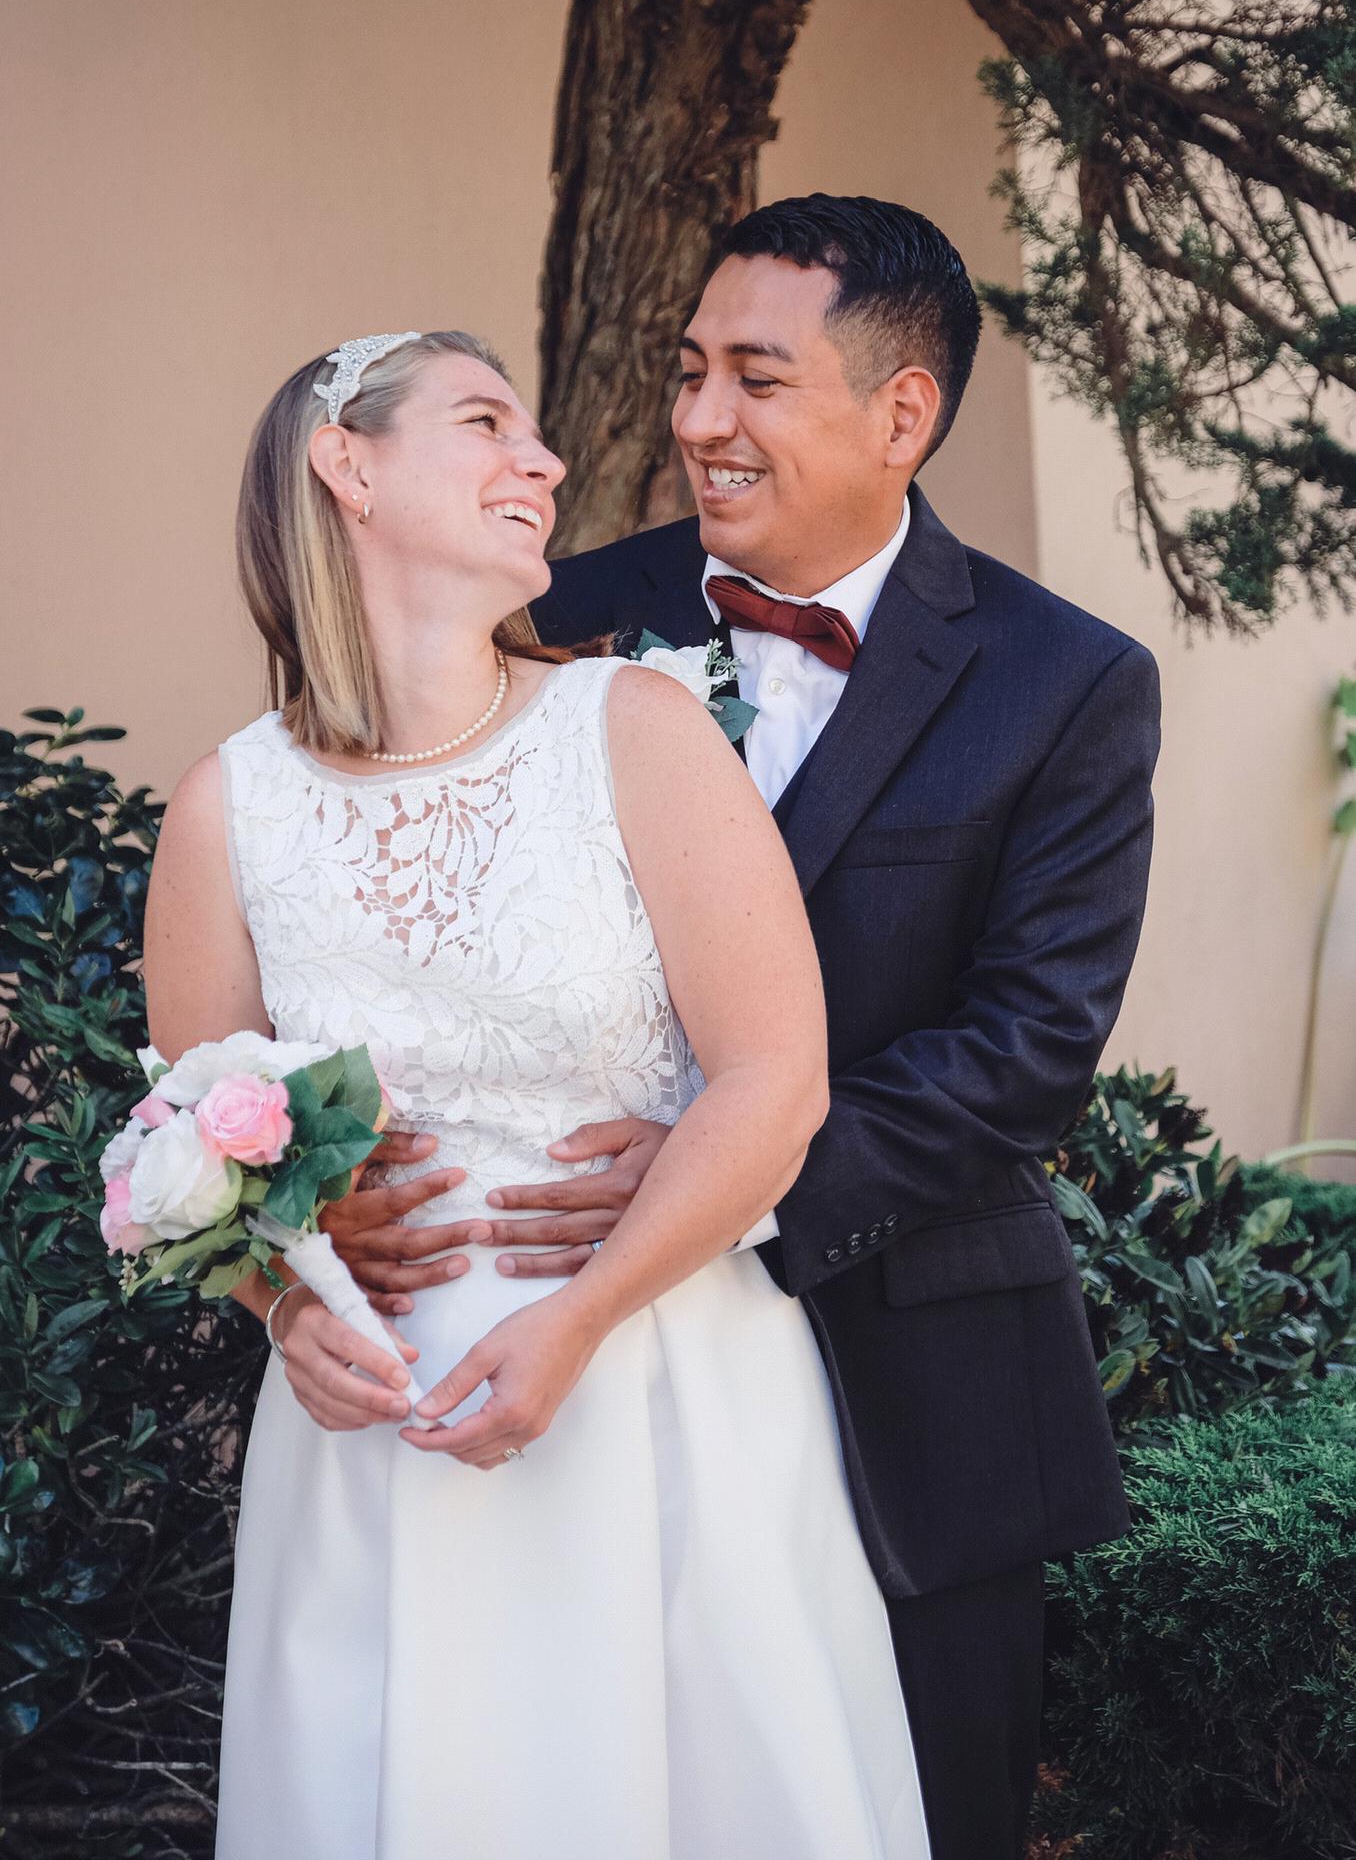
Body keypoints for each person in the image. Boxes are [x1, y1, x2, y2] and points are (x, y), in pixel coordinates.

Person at [332, 197, 1162, 1860]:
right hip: (578, 1379)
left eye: (757, 380)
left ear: (902, 414)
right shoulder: (549, 618)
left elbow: (1026, 1050)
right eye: (689, 369)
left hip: (919, 1377)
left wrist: (716, 1174)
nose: (699, 419)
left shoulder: (1067, 680)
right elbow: (394, 922)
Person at [143, 327, 932, 1858]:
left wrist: (579, 1319)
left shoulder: (633, 729)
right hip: (377, 1449)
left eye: (536, 432)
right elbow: (200, 1149)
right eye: (486, 422)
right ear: (348, 465)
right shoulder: (229, 807)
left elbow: (776, 1080)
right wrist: (287, 1316)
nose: (546, 462)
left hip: (656, 1388)